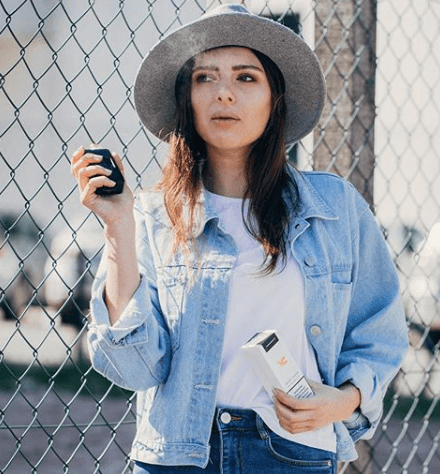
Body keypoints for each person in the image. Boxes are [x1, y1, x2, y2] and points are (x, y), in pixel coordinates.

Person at [71, 4, 408, 473]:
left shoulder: (335, 208)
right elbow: (135, 368)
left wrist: (346, 401)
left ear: (276, 100)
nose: (223, 93)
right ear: (187, 98)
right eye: (205, 77)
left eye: (246, 78)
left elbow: (381, 332)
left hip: (294, 453)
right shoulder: (149, 214)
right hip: (179, 456)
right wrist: (117, 227)